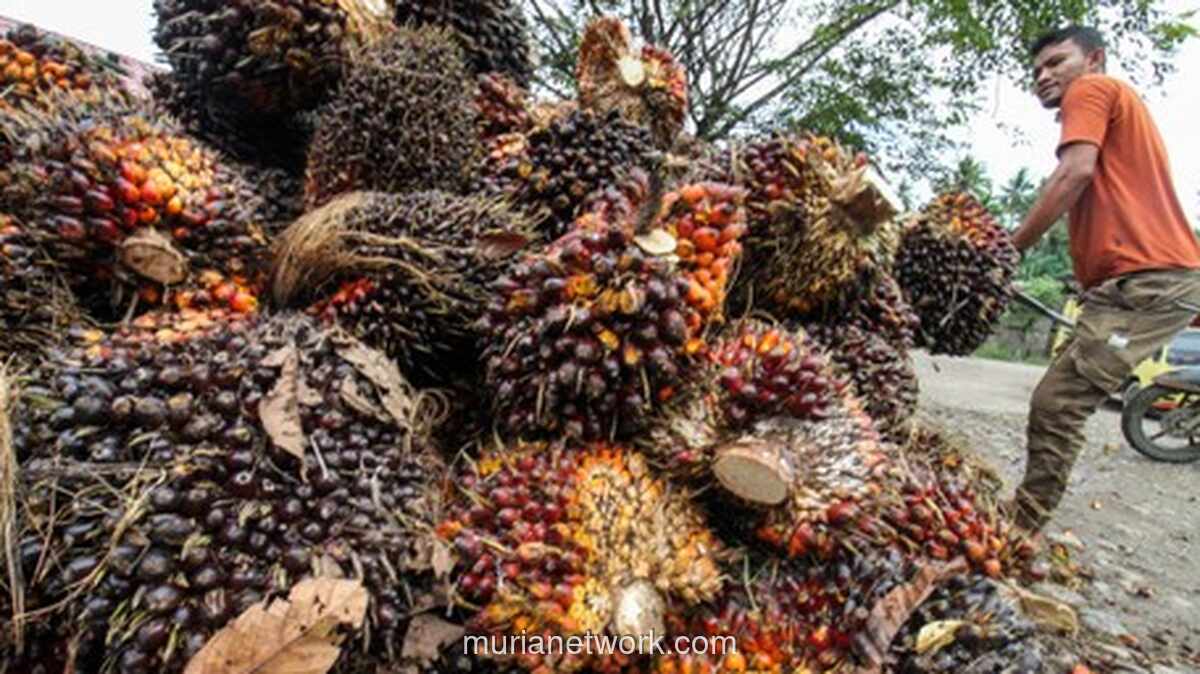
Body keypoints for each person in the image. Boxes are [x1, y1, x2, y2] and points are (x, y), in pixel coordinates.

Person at [1008, 25, 1200, 533]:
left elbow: (1074, 173)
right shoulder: (1117, 103)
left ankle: (1019, 529)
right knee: (1060, 396)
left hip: (1150, 282)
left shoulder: (1092, 89)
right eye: (1036, 70)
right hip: (1139, 283)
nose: (1043, 76)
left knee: (1058, 403)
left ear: (1094, 59)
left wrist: (1008, 249)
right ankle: (1021, 520)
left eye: (1056, 62)